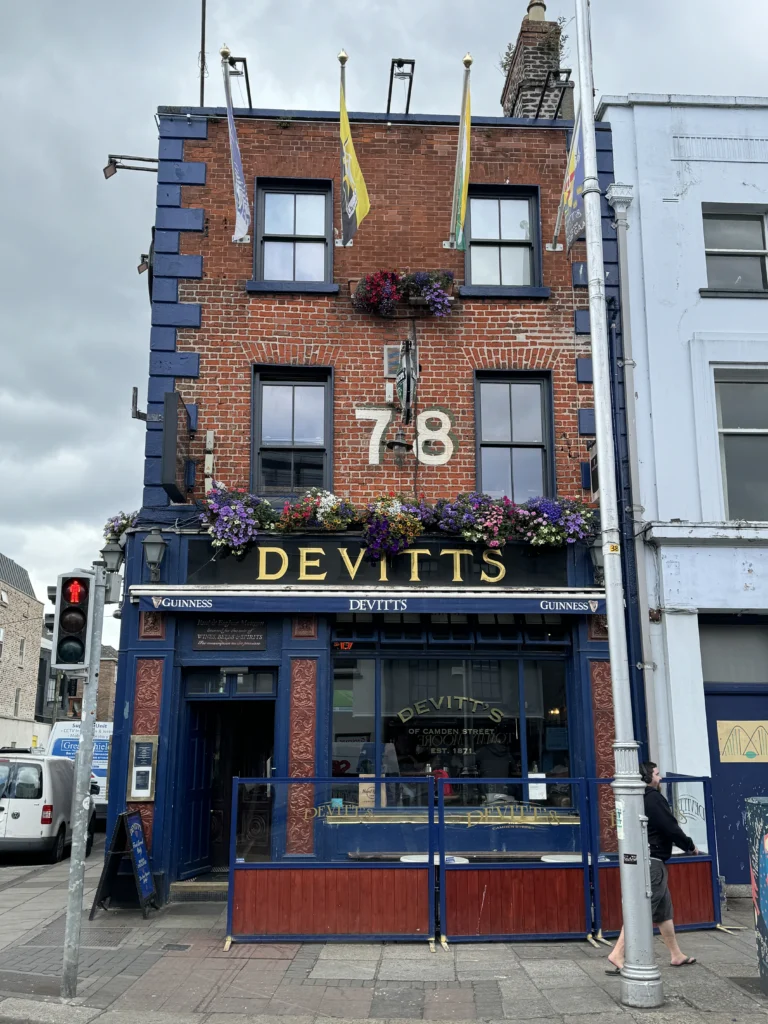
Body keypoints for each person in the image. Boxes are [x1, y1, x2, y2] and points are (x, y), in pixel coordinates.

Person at [606, 761, 699, 974]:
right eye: (656, 774)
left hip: (644, 859)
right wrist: (689, 845)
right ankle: (618, 953)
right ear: (647, 778)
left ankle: (676, 954)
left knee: (663, 911)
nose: (660, 778)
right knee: (641, 910)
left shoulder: (634, 798)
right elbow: (670, 827)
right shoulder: (653, 798)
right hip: (652, 862)